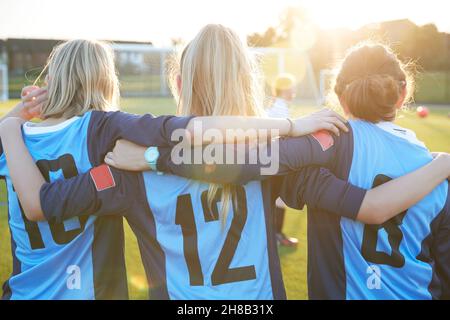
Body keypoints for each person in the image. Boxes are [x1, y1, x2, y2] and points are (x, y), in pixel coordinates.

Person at [3, 32, 450, 300]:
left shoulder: (122, 169)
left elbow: (46, 202)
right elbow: (244, 162)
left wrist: (154, 158)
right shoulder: (281, 155)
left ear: (176, 82)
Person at [266, 73, 298, 247]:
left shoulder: (278, 105)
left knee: (278, 199)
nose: (294, 90)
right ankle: (276, 235)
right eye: (292, 86)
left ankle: (276, 235)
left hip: (273, 157)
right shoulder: (279, 108)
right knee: (279, 199)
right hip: (274, 158)